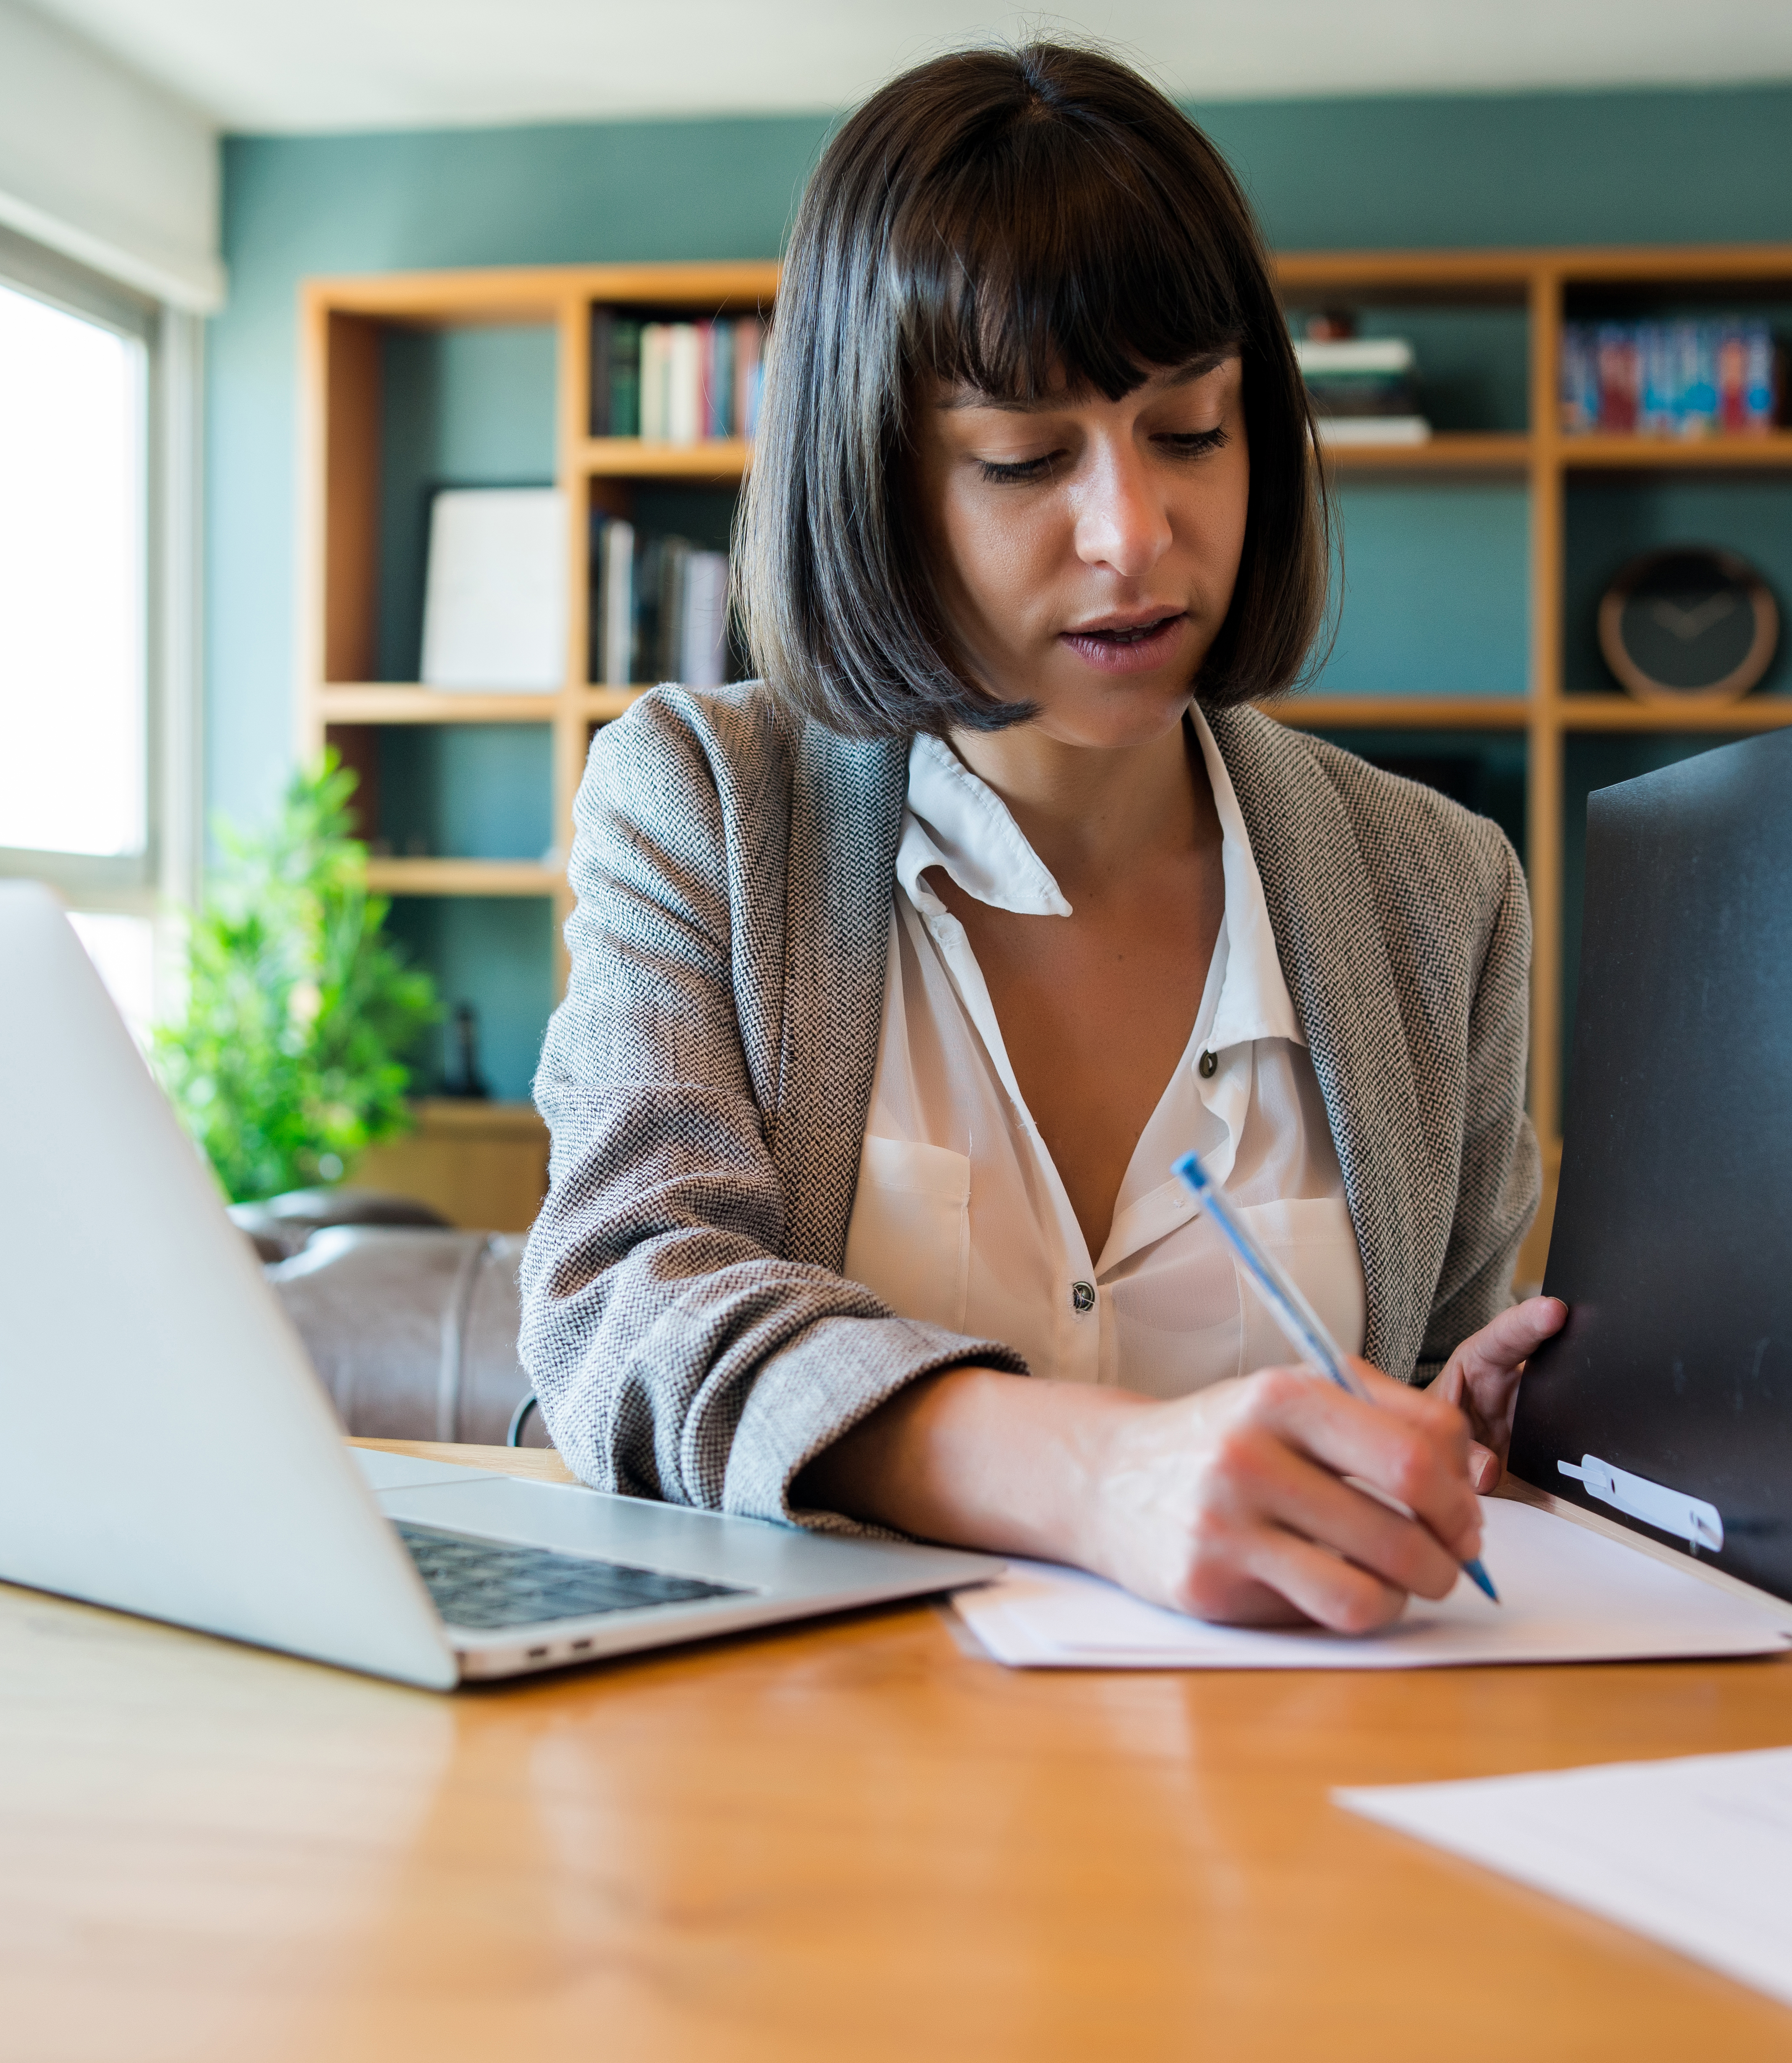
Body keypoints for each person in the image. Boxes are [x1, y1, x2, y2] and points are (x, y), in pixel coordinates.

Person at [520, 41, 1561, 1632]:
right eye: (1023, 459)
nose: (1134, 535)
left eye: (1192, 430)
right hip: (808, 1805)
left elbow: (1431, 1424)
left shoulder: (1443, 889)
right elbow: (624, 1304)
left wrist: (1460, 1450)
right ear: (876, 483)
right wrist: (1099, 1474)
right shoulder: (701, 804)